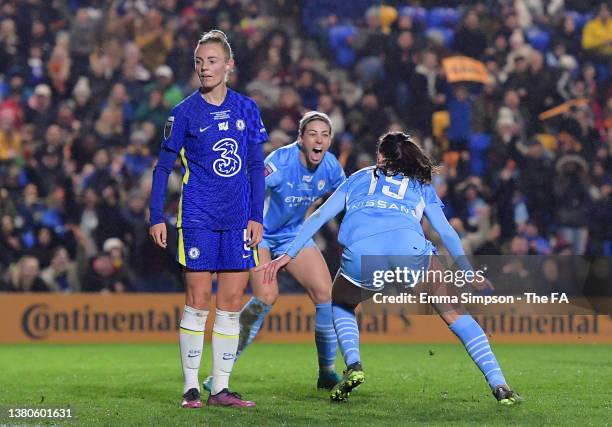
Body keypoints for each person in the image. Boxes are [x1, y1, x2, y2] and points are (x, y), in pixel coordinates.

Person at [256, 132, 522, 405]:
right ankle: (499, 384)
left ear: (380, 156)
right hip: (409, 251)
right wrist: (467, 271)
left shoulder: (359, 177)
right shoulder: (419, 184)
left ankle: (354, 364)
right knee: (457, 316)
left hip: (363, 253)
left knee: (341, 303)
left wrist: (288, 254)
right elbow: (447, 232)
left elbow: (321, 215)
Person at [149, 30, 268, 409]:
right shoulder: (183, 112)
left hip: (237, 221)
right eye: (199, 62)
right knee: (198, 301)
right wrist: (156, 216)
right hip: (197, 216)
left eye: (212, 61)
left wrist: (256, 217)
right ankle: (189, 387)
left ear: (229, 65)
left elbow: (254, 167)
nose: (204, 68)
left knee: (231, 304)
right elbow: (162, 167)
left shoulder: (247, 107)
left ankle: (220, 388)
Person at [203, 111, 345, 392]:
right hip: (259, 234)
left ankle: (326, 372)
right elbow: (245, 190)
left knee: (326, 296)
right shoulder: (279, 162)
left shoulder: (330, 167)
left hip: (293, 235)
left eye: (325, 135)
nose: (319, 140)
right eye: (313, 134)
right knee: (267, 296)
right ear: (301, 138)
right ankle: (220, 372)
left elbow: (347, 199)